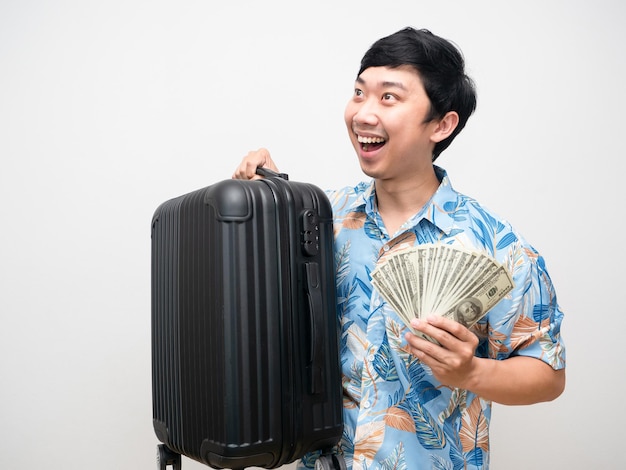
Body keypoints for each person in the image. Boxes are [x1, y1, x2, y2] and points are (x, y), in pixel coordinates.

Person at [233, 27, 565, 470]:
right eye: (358, 93)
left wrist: (472, 373)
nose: (364, 114)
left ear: (442, 124)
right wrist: (266, 196)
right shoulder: (317, 219)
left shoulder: (499, 247)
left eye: (389, 98)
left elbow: (548, 375)